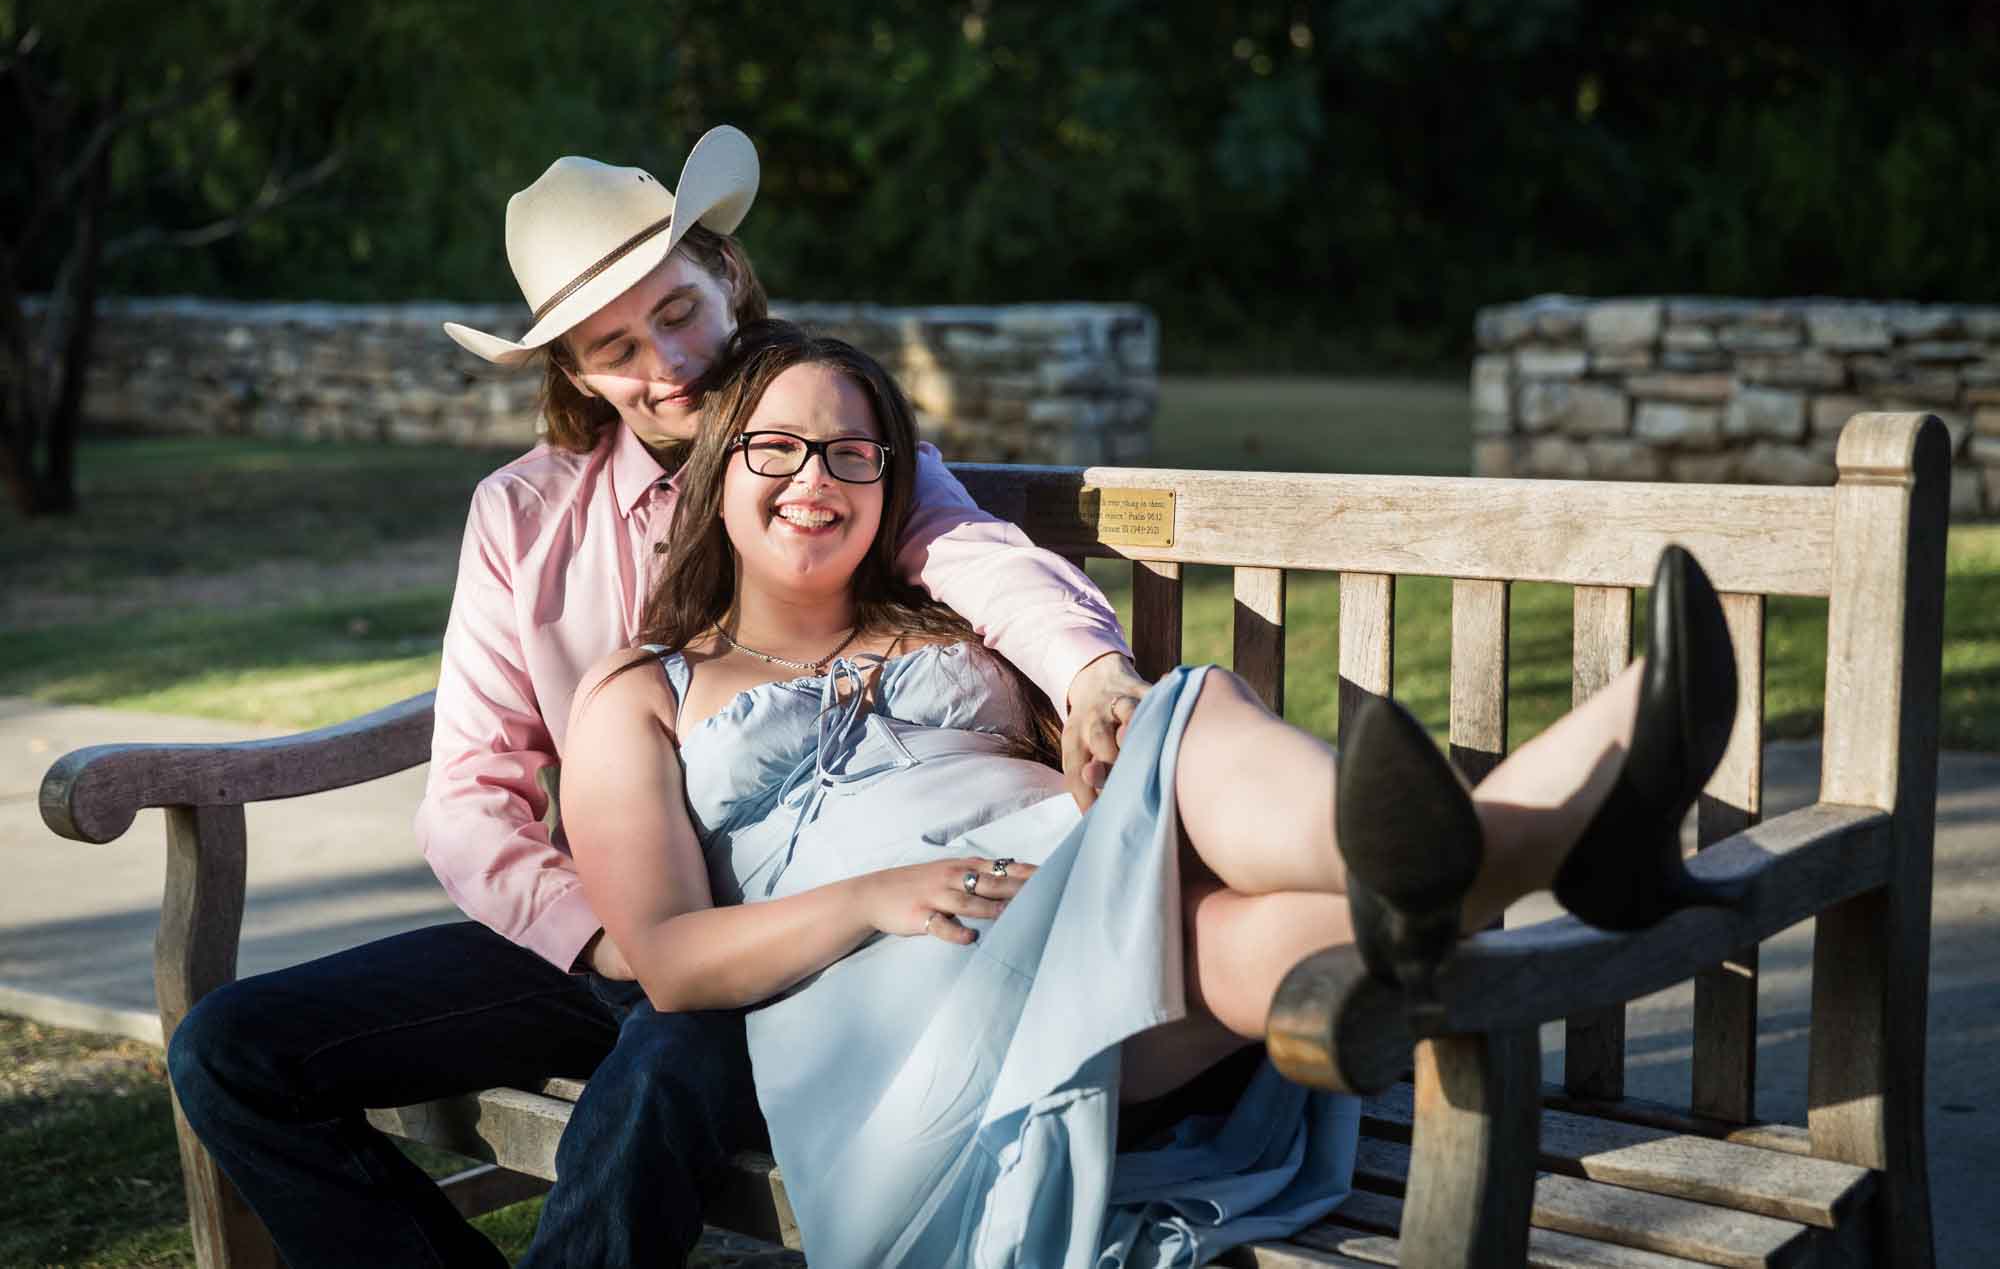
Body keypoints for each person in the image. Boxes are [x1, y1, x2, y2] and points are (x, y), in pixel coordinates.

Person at [558, 319, 1746, 1267]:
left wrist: (1090, 742)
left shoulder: (956, 623)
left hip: (1099, 901)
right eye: (777, 447)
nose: (815, 478)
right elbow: (665, 954)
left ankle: (1499, 843)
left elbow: (1076, 729)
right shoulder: (643, 689)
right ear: (718, 474)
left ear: (887, 480)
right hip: (917, 986)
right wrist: (873, 896)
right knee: (1197, 845)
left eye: (850, 452)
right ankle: (1553, 840)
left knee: (1178, 721)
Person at [166, 127, 1152, 1268]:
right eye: (614, 347)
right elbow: (468, 791)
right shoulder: (522, 517)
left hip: (788, 933)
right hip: (599, 936)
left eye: (675, 312)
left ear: (725, 276)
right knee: (228, 1051)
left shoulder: (821, 452)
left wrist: (1089, 670)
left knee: (651, 1087)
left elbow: (975, 555)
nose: (664, 363)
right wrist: (605, 939)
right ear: (575, 372)